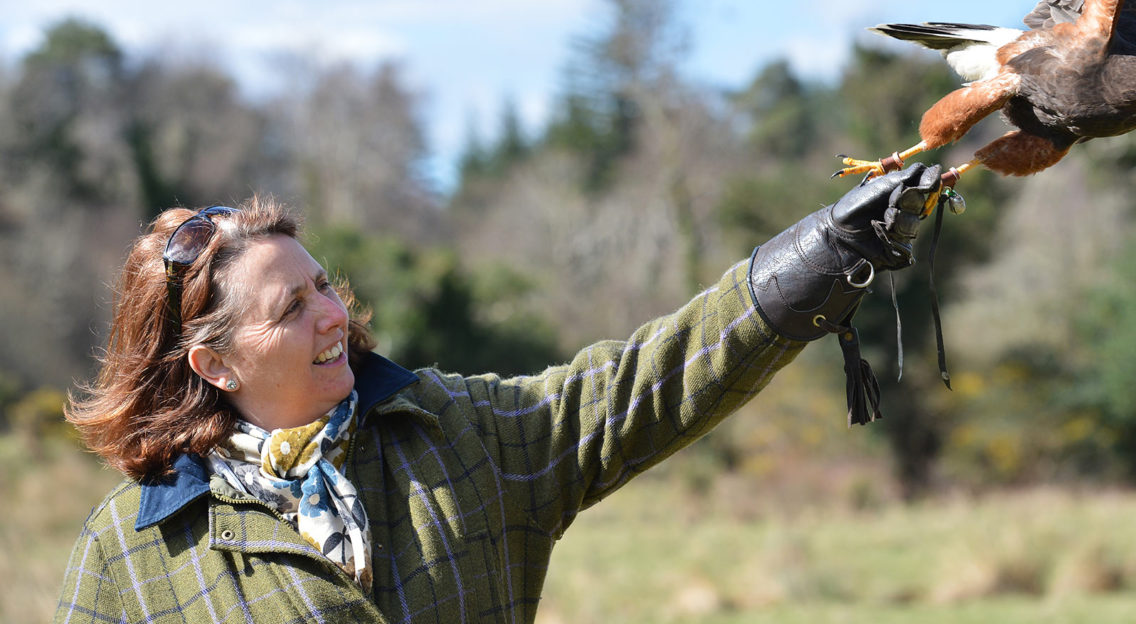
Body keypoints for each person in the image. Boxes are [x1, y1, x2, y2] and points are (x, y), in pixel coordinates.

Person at [54, 163, 942, 623]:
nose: (335, 314)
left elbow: (643, 383)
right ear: (216, 366)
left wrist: (819, 262)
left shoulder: (451, 431)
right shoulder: (132, 558)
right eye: (293, 308)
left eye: (323, 285)